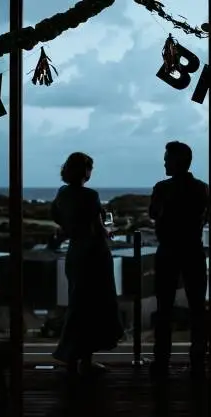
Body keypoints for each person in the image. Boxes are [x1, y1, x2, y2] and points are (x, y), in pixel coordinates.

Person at [51, 152, 124, 376]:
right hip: (94, 254)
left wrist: (72, 228)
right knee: (95, 307)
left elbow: (57, 216)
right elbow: (97, 228)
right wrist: (109, 231)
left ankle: (72, 358)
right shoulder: (90, 195)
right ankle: (85, 360)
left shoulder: (62, 193)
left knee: (78, 305)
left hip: (75, 252)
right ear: (85, 171)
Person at [149, 141, 209, 378]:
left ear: (177, 161)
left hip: (168, 251)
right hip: (193, 250)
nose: (164, 162)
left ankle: (161, 361)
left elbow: (154, 213)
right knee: (197, 308)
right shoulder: (202, 188)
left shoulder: (162, 188)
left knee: (164, 309)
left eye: (167, 158)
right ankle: (198, 360)